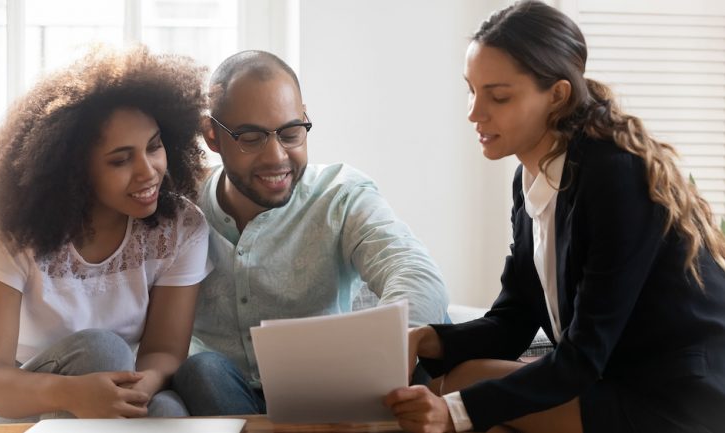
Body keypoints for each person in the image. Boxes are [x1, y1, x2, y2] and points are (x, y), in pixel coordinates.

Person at [384, 1, 725, 433]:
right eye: (471, 89)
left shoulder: (615, 177)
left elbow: (584, 352)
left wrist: (456, 413)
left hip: (671, 399)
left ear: (558, 95)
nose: (474, 112)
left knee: (460, 406)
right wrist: (424, 338)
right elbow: (512, 320)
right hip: (609, 378)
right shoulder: (529, 179)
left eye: (498, 95)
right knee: (458, 381)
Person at [172, 50, 450, 416]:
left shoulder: (341, 195)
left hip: (328, 393)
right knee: (202, 369)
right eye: (252, 138)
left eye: (290, 133)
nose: (276, 157)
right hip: (221, 394)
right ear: (212, 136)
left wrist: (387, 349)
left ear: (305, 119)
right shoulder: (178, 209)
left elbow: (415, 272)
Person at [0, 45, 212, 424]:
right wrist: (76, 394)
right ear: (73, 170)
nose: (149, 171)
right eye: (121, 159)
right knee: (102, 350)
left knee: (168, 411)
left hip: (110, 390)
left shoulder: (180, 226)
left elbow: (163, 352)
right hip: (4, 408)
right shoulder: (14, 233)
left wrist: (136, 390)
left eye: (154, 146)